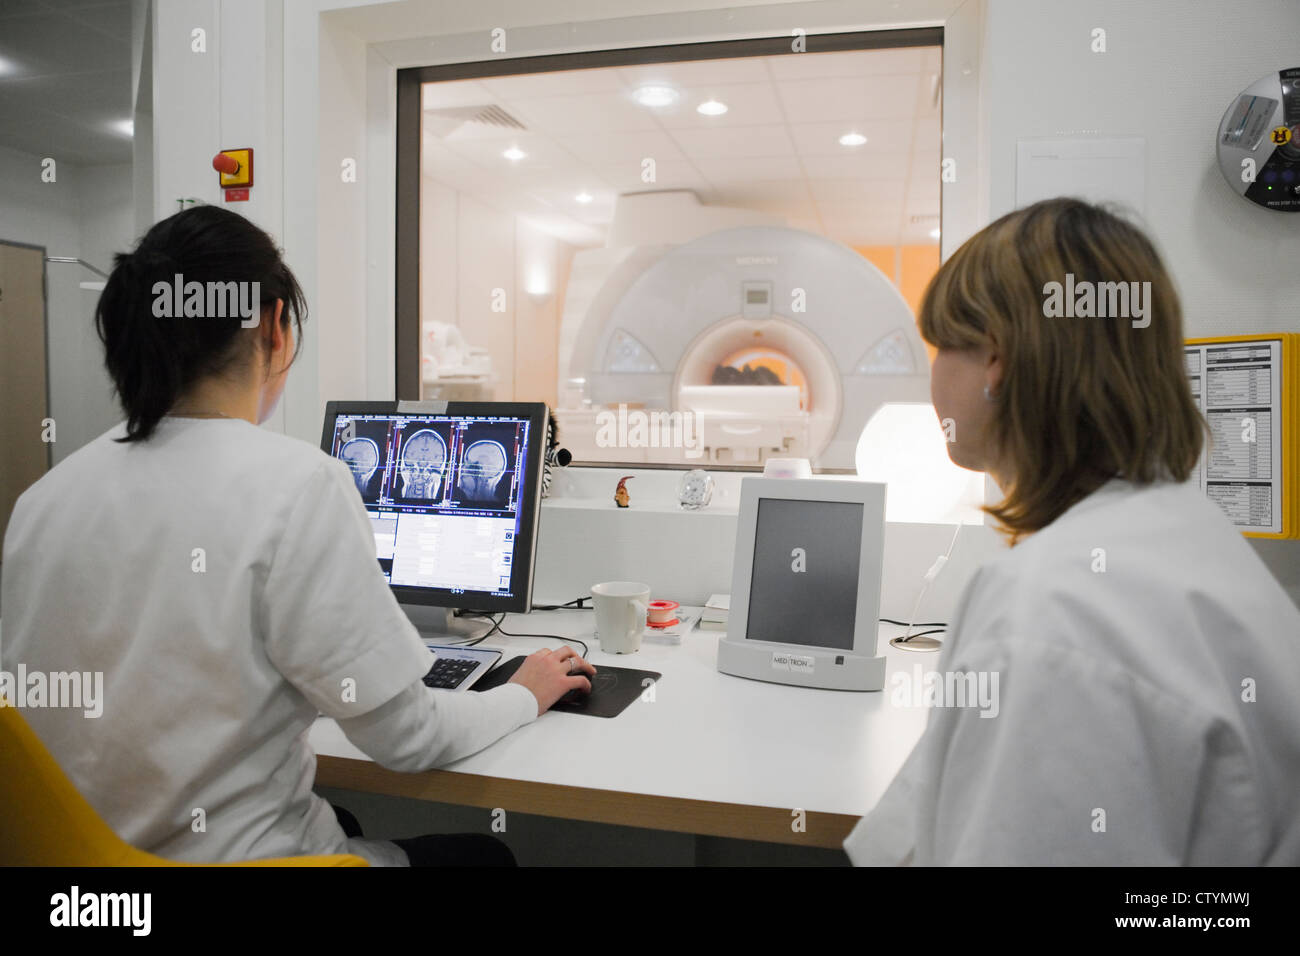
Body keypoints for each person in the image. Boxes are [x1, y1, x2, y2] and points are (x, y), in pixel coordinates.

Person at [0, 205, 593, 866]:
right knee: (484, 857)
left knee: (335, 809)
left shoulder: (42, 499)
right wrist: (525, 692)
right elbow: (411, 740)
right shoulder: (299, 484)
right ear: (275, 328)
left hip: (85, 883)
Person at [845, 198, 1300, 865]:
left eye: (943, 345)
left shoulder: (1054, 607)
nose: (934, 372)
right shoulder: (1191, 541)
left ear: (995, 359)